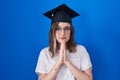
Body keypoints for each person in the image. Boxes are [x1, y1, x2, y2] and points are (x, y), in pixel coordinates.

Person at [35, 4, 92, 80]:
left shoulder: (81, 50)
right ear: (53, 32)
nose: (62, 33)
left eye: (66, 29)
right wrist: (59, 62)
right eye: (58, 29)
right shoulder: (44, 53)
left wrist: (67, 61)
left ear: (71, 31)